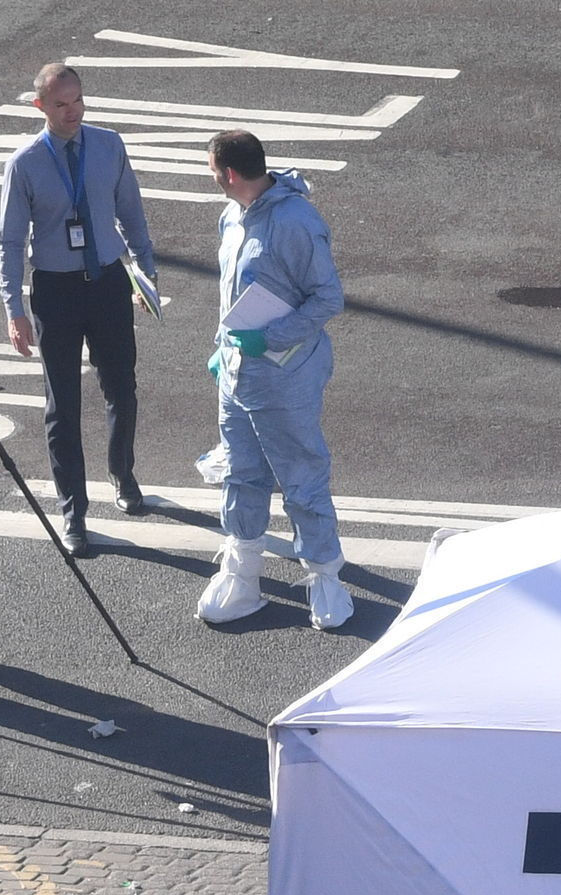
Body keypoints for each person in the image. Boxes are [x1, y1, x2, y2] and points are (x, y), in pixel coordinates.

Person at [0, 62, 156, 556]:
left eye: (78, 101)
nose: (72, 112)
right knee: (61, 406)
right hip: (56, 292)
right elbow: (9, 240)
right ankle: (74, 512)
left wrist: (145, 275)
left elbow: (131, 212)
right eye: (61, 104)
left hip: (107, 283)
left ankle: (122, 472)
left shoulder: (108, 146)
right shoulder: (24, 163)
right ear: (40, 106)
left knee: (121, 388)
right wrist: (13, 307)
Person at [197, 129, 352, 632]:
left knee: (302, 476)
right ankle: (242, 574)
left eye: (213, 171)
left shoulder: (296, 222)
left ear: (231, 174)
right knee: (241, 473)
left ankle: (325, 576)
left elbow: (326, 298)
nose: (213, 179)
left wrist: (274, 339)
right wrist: (224, 350)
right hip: (239, 377)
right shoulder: (231, 216)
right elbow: (232, 296)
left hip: (285, 378)